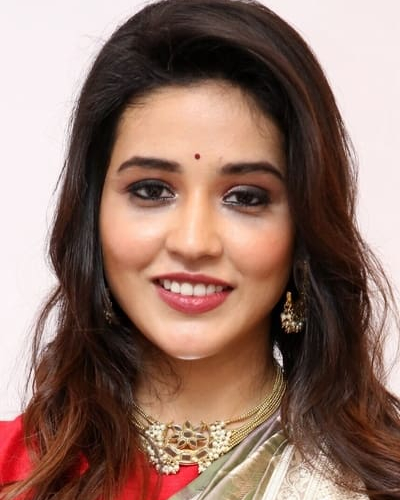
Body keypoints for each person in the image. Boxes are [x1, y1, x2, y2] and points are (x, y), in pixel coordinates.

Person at [0, 0, 399, 498]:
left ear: (305, 229)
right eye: (151, 190)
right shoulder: (16, 475)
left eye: (245, 197)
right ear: (91, 215)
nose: (193, 243)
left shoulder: (370, 483)